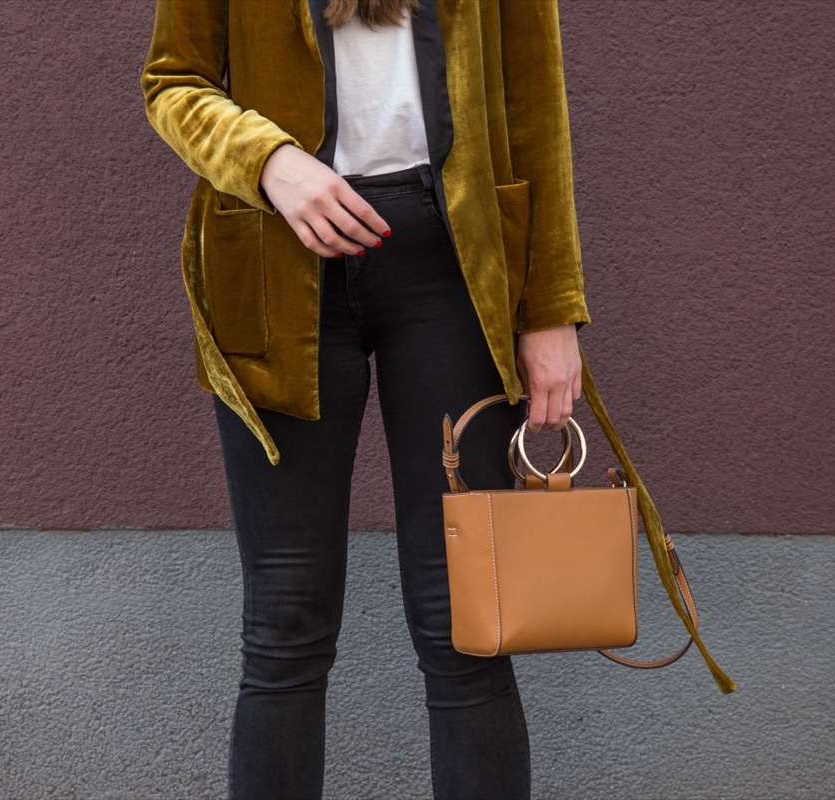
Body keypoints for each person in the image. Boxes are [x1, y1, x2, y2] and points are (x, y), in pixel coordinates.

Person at [143, 1, 590, 797]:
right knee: (284, 623)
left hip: (454, 268)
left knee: (471, 628)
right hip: (280, 264)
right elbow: (171, 82)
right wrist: (270, 160)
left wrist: (550, 305)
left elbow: (535, 98)